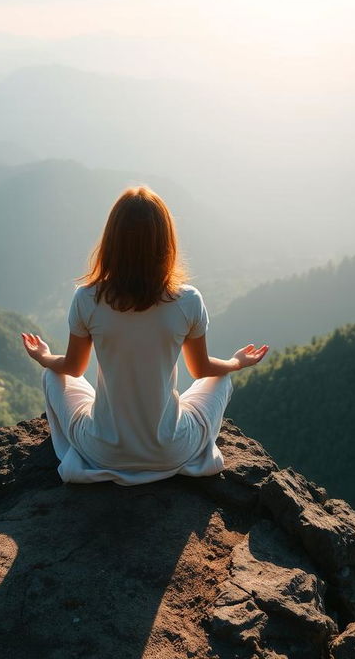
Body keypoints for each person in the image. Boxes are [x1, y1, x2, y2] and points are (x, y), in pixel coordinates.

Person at [21, 185, 268, 485]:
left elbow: (72, 368)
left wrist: (43, 356)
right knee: (222, 377)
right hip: (170, 450)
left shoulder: (88, 298)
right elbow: (201, 370)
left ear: (112, 240)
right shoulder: (188, 300)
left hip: (103, 451)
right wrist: (236, 362)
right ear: (165, 242)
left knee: (51, 376)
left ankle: (85, 453)